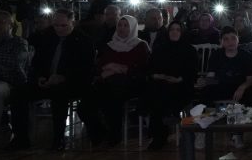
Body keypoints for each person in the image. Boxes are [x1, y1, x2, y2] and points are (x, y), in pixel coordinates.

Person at [11, 10, 95, 150]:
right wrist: (40, 77)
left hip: (72, 83)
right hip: (47, 80)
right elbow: (37, 63)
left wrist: (63, 77)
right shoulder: (47, 38)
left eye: (63, 25)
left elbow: (85, 68)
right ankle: (20, 138)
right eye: (56, 25)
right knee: (18, 93)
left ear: (72, 22)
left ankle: (58, 138)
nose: (59, 29)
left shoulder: (83, 41)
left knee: (59, 94)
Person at [78, 15, 150, 146]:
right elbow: (100, 66)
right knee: (84, 105)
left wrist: (121, 68)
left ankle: (114, 134)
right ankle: (99, 132)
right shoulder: (109, 45)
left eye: (126, 25)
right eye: (120, 25)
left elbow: (143, 69)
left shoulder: (140, 46)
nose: (122, 28)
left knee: (112, 96)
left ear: (132, 28)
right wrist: (111, 69)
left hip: (131, 83)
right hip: (106, 82)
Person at [142, 21, 196, 150]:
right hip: (160, 84)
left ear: (182, 32)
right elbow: (150, 69)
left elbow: (192, 72)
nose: (174, 32)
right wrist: (158, 76)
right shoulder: (160, 49)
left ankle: (159, 135)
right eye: (172, 29)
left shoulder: (189, 50)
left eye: (178, 30)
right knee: (156, 92)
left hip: (181, 85)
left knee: (162, 94)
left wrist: (179, 79)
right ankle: (159, 135)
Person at [0, 10, 29, 149]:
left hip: (8, 82)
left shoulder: (18, 42)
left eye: (0, 22)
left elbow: (14, 61)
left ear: (10, 25)